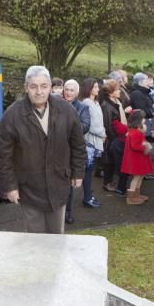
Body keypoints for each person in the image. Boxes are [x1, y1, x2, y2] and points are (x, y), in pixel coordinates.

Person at [0, 65, 86, 233]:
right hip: (29, 188)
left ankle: (56, 260)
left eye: (44, 86)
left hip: (59, 182)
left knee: (56, 235)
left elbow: (78, 144)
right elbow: (3, 156)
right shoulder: (12, 115)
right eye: (33, 86)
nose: (39, 92)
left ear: (50, 87)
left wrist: (78, 172)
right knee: (35, 239)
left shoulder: (66, 110)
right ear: (26, 88)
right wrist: (10, 186)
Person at [63, 79, 90, 224]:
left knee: (69, 184)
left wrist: (68, 126)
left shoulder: (82, 107)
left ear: (77, 92)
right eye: (66, 89)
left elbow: (85, 126)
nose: (68, 92)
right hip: (57, 149)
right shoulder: (56, 104)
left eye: (72, 90)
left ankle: (67, 213)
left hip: (73, 149)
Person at [100, 79, 129, 195]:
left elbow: (123, 122)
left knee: (111, 162)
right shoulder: (107, 106)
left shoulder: (116, 103)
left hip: (116, 137)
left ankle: (110, 182)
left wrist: (120, 106)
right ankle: (107, 183)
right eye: (117, 90)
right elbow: (107, 125)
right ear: (110, 92)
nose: (119, 92)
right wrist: (114, 139)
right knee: (109, 163)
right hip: (112, 139)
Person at [80, 77, 106, 208]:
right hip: (90, 142)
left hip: (96, 139)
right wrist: (103, 133)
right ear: (89, 88)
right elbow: (90, 125)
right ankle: (87, 198)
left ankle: (88, 195)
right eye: (95, 87)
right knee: (88, 171)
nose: (98, 89)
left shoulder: (95, 102)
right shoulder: (87, 103)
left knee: (89, 171)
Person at [121, 109, 154, 205]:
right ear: (138, 120)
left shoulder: (134, 131)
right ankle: (130, 198)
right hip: (136, 159)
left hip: (139, 158)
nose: (145, 120)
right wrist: (146, 146)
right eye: (143, 118)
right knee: (137, 177)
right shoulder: (135, 132)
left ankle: (136, 195)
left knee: (140, 176)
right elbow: (135, 146)